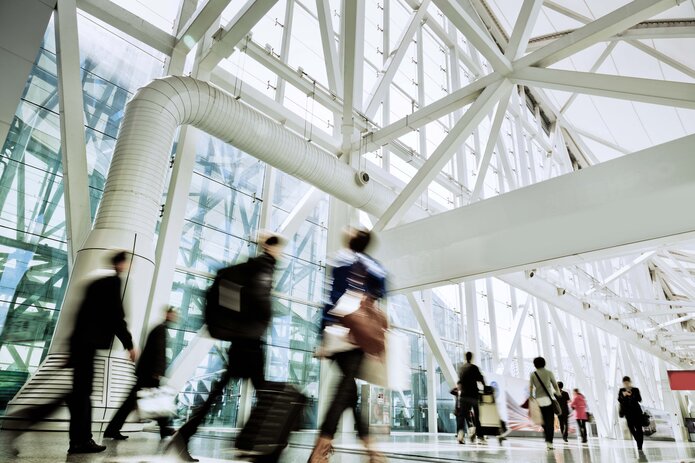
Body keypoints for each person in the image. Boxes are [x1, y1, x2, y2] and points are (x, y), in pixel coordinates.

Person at [3, 251, 136, 455]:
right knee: (82, 395)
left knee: (77, 395)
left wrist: (71, 347)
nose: (128, 266)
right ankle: (78, 439)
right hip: (87, 345)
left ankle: (76, 438)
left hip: (80, 345)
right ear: (121, 263)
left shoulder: (95, 284)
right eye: (126, 263)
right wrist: (129, 344)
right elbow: (116, 316)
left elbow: (80, 316)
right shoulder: (112, 283)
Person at [166, 234, 283, 462]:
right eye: (279, 249)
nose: (281, 253)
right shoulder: (263, 267)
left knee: (220, 392)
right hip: (250, 342)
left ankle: (187, 433)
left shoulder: (249, 268)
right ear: (271, 248)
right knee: (264, 394)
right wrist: (260, 324)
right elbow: (259, 300)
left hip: (241, 340)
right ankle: (250, 445)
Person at [308, 229, 387, 463]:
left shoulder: (341, 260)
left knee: (346, 391)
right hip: (358, 336)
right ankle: (366, 449)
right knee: (346, 391)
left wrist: (322, 334)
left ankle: (329, 448)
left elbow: (330, 299)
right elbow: (382, 292)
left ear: (354, 240)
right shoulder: (374, 266)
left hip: (338, 332)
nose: (346, 230)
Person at [104, 306, 178, 440]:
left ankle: (112, 429)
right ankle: (164, 428)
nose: (175, 318)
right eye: (173, 315)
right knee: (154, 400)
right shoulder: (160, 329)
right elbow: (158, 353)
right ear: (167, 314)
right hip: (150, 373)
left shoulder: (160, 329)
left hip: (147, 372)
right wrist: (157, 372)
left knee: (137, 401)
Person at [529, 357, 560, 450]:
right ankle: (549, 443)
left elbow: (531, 387)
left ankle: (547, 439)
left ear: (535, 364)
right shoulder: (549, 373)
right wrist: (558, 392)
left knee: (543, 422)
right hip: (548, 399)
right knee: (550, 421)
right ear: (544, 363)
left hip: (539, 400)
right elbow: (555, 384)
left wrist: (531, 396)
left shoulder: (533, 374)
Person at [458, 351, 485, 444]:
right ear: (471, 357)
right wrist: (485, 388)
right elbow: (481, 379)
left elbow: (460, 382)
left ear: (465, 357)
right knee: (477, 417)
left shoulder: (461, 368)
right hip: (473, 395)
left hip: (464, 396)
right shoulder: (474, 368)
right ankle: (480, 437)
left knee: (462, 417)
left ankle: (460, 435)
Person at [618, 376, 644, 451]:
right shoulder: (621, 390)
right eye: (624, 383)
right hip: (627, 413)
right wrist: (623, 395)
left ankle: (640, 446)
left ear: (630, 382)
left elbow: (639, 399)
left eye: (627, 383)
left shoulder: (635, 390)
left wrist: (632, 395)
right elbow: (619, 400)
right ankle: (637, 440)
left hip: (637, 412)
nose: (626, 384)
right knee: (631, 428)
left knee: (639, 429)